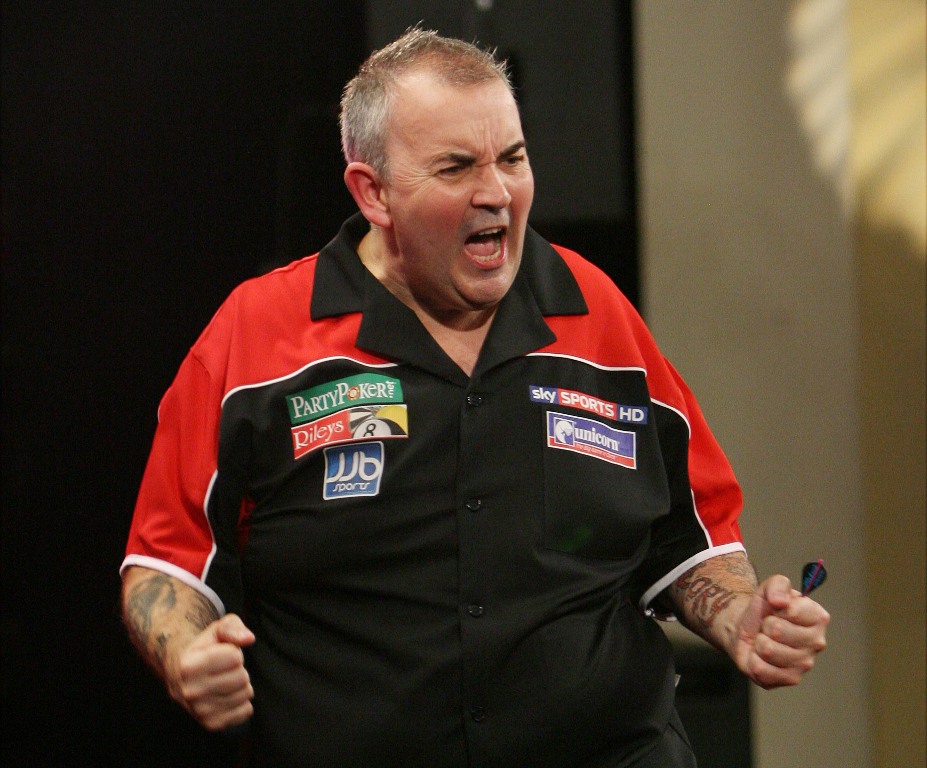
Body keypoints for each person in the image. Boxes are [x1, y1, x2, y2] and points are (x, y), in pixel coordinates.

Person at [121, 27, 830, 768]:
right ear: (373, 192)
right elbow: (165, 563)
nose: (496, 192)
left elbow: (692, 536)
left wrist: (738, 615)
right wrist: (186, 653)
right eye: (456, 167)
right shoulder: (257, 336)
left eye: (512, 159)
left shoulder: (595, 313)